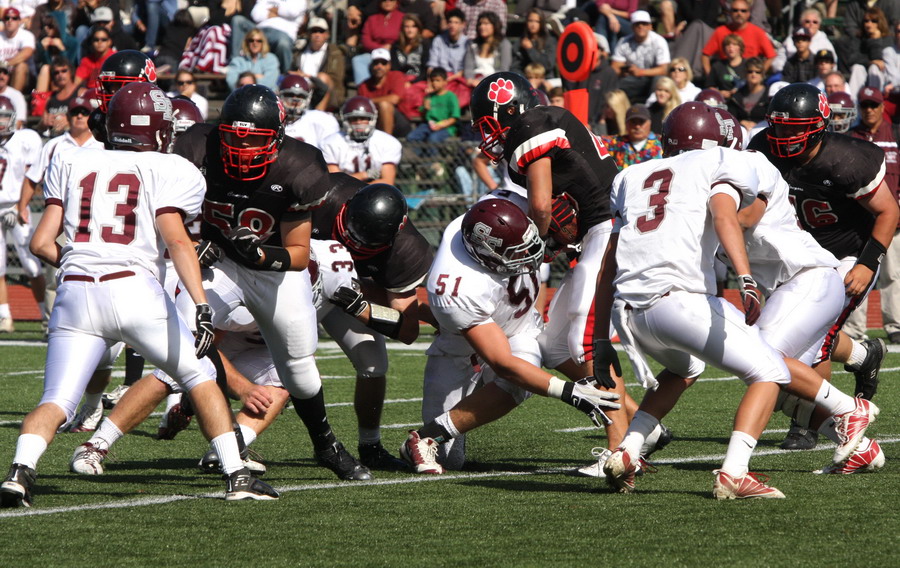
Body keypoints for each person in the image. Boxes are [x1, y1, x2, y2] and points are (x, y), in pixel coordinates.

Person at [0, 83, 279, 508]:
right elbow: (178, 241)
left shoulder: (71, 158)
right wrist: (201, 303)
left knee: (56, 400)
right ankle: (236, 474)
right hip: (133, 287)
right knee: (200, 375)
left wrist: (83, 262)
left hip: (74, 291)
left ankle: (19, 472)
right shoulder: (170, 168)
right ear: (157, 129)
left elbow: (41, 243)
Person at [595, 103, 880, 498]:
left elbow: (731, 217)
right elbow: (721, 215)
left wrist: (598, 336)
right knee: (764, 375)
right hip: (702, 295)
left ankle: (849, 413)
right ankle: (852, 428)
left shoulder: (638, 175)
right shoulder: (714, 165)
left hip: (806, 277)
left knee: (767, 368)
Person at [172, 84, 371, 481]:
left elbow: (298, 252)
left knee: (298, 369)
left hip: (275, 272)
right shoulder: (195, 146)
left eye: (254, 140)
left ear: (277, 138)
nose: (242, 148)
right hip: (223, 263)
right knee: (183, 326)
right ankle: (225, 440)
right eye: (234, 138)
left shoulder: (300, 165)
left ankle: (326, 445)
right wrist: (195, 243)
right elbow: (167, 214)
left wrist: (262, 255)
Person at [470, 71, 645, 464]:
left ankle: (621, 452)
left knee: (585, 340)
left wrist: (537, 243)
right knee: (554, 344)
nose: (488, 135)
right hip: (600, 230)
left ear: (511, 109)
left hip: (610, 228)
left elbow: (541, 205)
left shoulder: (530, 125)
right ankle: (641, 426)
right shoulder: (544, 121)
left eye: (489, 123)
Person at [400, 197, 621, 473]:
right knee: (449, 460)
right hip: (461, 342)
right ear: (486, 256)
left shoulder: (501, 220)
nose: (529, 255)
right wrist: (569, 392)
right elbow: (503, 363)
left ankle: (427, 436)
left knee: (519, 383)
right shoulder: (456, 284)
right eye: (517, 252)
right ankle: (427, 437)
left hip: (519, 327)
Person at [747, 82, 896, 444]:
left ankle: (806, 423)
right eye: (779, 127)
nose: (784, 137)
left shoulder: (847, 159)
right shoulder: (762, 147)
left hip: (848, 255)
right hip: (799, 254)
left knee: (815, 339)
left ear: (818, 126)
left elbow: (889, 211)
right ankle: (862, 355)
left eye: (794, 129)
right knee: (797, 329)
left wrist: (866, 263)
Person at [310, 175, 434, 469]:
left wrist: (363, 308)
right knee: (272, 364)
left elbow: (407, 330)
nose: (352, 242)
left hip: (349, 297)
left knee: (373, 365)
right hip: (296, 286)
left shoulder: (406, 249)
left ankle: (370, 446)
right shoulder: (321, 193)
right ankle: (234, 443)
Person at [848, 87, 900, 345]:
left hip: (893, 222)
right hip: (860, 222)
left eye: (873, 105)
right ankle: (853, 328)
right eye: (865, 105)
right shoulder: (851, 137)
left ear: (882, 107)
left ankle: (895, 325)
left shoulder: (896, 134)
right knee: (858, 273)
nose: (869, 110)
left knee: (893, 275)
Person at [0, 96, 45, 335]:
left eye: (4, 117)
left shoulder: (24, 139)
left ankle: (45, 315)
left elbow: (32, 176)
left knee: (31, 265)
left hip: (18, 206)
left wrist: (21, 206)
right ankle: (4, 316)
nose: (1, 122)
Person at [321, 96, 402, 185]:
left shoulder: (387, 142)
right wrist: (364, 175)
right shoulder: (330, 143)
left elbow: (388, 182)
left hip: (375, 192)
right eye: (354, 119)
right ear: (346, 120)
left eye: (363, 118)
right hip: (345, 192)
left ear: (371, 119)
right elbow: (335, 182)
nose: (359, 122)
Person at [610, 10, 670, 103]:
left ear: (650, 26)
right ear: (632, 27)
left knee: (659, 79)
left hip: (652, 78)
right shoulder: (624, 42)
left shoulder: (659, 41)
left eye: (644, 24)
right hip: (632, 78)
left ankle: (652, 106)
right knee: (614, 83)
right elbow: (615, 67)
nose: (640, 26)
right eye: (637, 24)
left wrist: (640, 72)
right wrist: (625, 71)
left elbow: (664, 69)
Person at [701, 0, 774, 77]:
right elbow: (705, 55)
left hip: (747, 77)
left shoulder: (758, 32)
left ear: (748, 13)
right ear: (729, 13)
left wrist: (759, 74)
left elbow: (771, 56)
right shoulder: (720, 31)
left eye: (743, 11)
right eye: (735, 10)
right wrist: (711, 77)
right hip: (725, 76)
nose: (739, 13)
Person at [230, 0, 305, 74]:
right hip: (260, 30)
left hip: (283, 33)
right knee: (238, 20)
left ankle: (284, 75)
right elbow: (255, 14)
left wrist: (274, 10)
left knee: (283, 43)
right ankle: (234, 65)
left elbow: (292, 11)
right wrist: (280, 12)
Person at [292, 16, 346, 110]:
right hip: (301, 88)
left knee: (322, 78)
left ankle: (318, 113)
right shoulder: (299, 51)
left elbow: (335, 79)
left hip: (327, 92)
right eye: (314, 31)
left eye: (321, 31)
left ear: (327, 34)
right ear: (308, 34)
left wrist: (310, 79)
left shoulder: (335, 53)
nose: (317, 34)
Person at [357, 47, 413, 137]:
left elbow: (395, 99)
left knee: (384, 105)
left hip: (399, 123)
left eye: (383, 63)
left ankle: (387, 141)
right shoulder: (363, 85)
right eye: (376, 63)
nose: (379, 66)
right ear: (371, 65)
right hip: (374, 122)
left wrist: (369, 101)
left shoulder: (397, 76)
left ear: (389, 65)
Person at [352, 0, 405, 85]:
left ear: (396, 2)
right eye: (384, 0)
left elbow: (404, 37)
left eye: (391, 0)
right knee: (358, 60)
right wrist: (380, 48)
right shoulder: (372, 19)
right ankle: (364, 90)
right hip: (375, 52)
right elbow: (365, 40)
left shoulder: (402, 18)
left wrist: (392, 46)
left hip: (394, 53)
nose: (388, 2)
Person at [279, 75, 340, 149]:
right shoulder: (274, 120)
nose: (295, 100)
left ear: (307, 98)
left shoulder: (319, 120)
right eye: (290, 95)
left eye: (300, 96)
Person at [772, 9, 837, 74]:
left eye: (815, 22)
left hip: (816, 75)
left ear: (819, 25)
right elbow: (780, 59)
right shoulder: (792, 38)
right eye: (807, 21)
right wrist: (784, 71)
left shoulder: (825, 42)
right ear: (802, 23)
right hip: (791, 72)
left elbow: (833, 64)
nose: (811, 24)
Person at [407, 67, 460, 147]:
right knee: (411, 137)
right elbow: (424, 115)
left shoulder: (451, 96)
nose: (434, 83)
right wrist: (425, 108)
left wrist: (441, 125)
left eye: (438, 80)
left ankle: (434, 155)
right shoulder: (428, 96)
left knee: (433, 139)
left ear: (445, 82)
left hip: (446, 127)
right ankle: (420, 154)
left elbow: (454, 117)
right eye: (432, 80)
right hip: (429, 125)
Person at [462, 11, 512, 89]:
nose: (482, 27)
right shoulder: (472, 44)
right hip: (473, 84)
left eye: (486, 23)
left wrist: (483, 81)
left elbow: (504, 70)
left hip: (495, 84)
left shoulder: (504, 44)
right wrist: (470, 80)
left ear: (494, 25)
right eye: (480, 24)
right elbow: (468, 67)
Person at [511, 8, 557, 80]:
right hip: (526, 80)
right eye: (530, 21)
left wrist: (530, 49)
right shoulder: (520, 42)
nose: (533, 24)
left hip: (545, 80)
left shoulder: (550, 41)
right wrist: (525, 80)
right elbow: (515, 67)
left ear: (541, 23)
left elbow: (548, 65)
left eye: (537, 21)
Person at [727, 57, 769, 130]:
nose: (753, 74)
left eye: (757, 72)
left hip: (763, 130)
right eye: (750, 71)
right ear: (745, 74)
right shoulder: (737, 95)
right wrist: (741, 122)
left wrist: (758, 124)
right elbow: (730, 117)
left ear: (762, 74)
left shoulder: (769, 95)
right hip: (741, 130)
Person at [0, 7, 35, 91]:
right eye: (7, 18)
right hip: (2, 74)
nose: (10, 21)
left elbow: (27, 52)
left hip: (26, 77)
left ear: (19, 21)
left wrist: (6, 64)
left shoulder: (26, 35)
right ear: (3, 21)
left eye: (14, 18)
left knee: (21, 66)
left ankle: (13, 97)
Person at [391, 13, 432, 84]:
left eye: (413, 26)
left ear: (418, 28)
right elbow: (395, 69)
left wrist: (412, 82)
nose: (410, 30)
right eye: (406, 27)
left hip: (419, 80)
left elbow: (425, 69)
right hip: (400, 80)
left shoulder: (424, 44)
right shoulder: (396, 46)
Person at [705, 34, 748, 100]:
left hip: (744, 101)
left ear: (740, 47)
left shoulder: (748, 65)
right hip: (723, 101)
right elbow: (710, 86)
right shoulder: (718, 66)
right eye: (727, 45)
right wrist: (719, 93)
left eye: (734, 44)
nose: (731, 48)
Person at [73, 24, 115, 89]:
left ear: (109, 42)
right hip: (91, 92)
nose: (99, 42)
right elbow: (76, 82)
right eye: (96, 39)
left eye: (103, 39)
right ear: (92, 42)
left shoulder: (115, 58)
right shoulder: (86, 60)